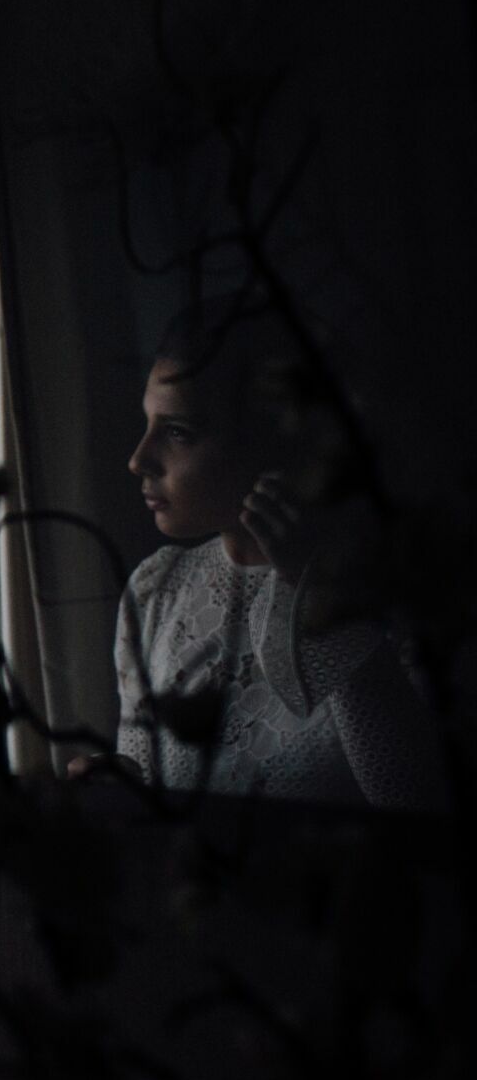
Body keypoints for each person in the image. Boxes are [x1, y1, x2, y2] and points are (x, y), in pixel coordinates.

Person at [70, 304, 439, 809]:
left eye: (178, 432)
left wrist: (325, 594)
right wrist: (121, 786)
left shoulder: (402, 588)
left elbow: (416, 807)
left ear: (277, 440)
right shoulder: (157, 590)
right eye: (147, 424)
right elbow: (149, 774)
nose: (138, 459)